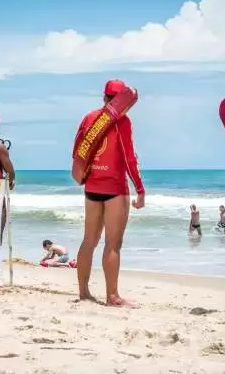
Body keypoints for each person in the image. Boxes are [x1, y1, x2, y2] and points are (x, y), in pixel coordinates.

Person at [73, 79, 145, 308]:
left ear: (104, 96)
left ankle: (84, 292)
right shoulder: (121, 122)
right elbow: (128, 156)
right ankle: (112, 296)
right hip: (114, 189)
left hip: (92, 188)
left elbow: (77, 152)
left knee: (89, 241)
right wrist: (140, 188)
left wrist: (83, 177)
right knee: (112, 245)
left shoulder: (89, 118)